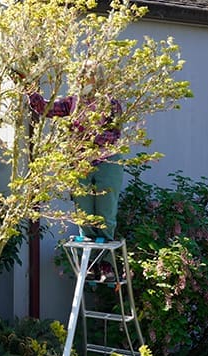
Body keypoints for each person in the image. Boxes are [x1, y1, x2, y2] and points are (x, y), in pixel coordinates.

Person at [27, 61, 123, 243]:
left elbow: (113, 134)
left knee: (105, 212)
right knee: (83, 212)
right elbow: (45, 108)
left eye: (88, 75)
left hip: (107, 160)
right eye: (81, 75)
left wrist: (84, 134)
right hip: (80, 162)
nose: (82, 78)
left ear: (98, 78)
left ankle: (104, 256)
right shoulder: (73, 102)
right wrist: (29, 89)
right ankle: (88, 250)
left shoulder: (110, 103)